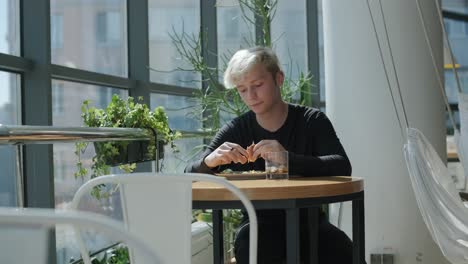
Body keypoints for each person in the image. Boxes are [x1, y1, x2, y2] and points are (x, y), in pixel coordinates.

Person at [185, 46, 354, 264]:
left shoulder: (312, 121)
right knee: (251, 244)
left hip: (310, 223)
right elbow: (188, 175)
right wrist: (210, 161)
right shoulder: (237, 129)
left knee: (341, 249)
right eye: (242, 89)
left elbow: (342, 165)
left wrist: (286, 158)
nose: (251, 96)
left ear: (279, 78)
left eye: (257, 85)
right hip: (257, 226)